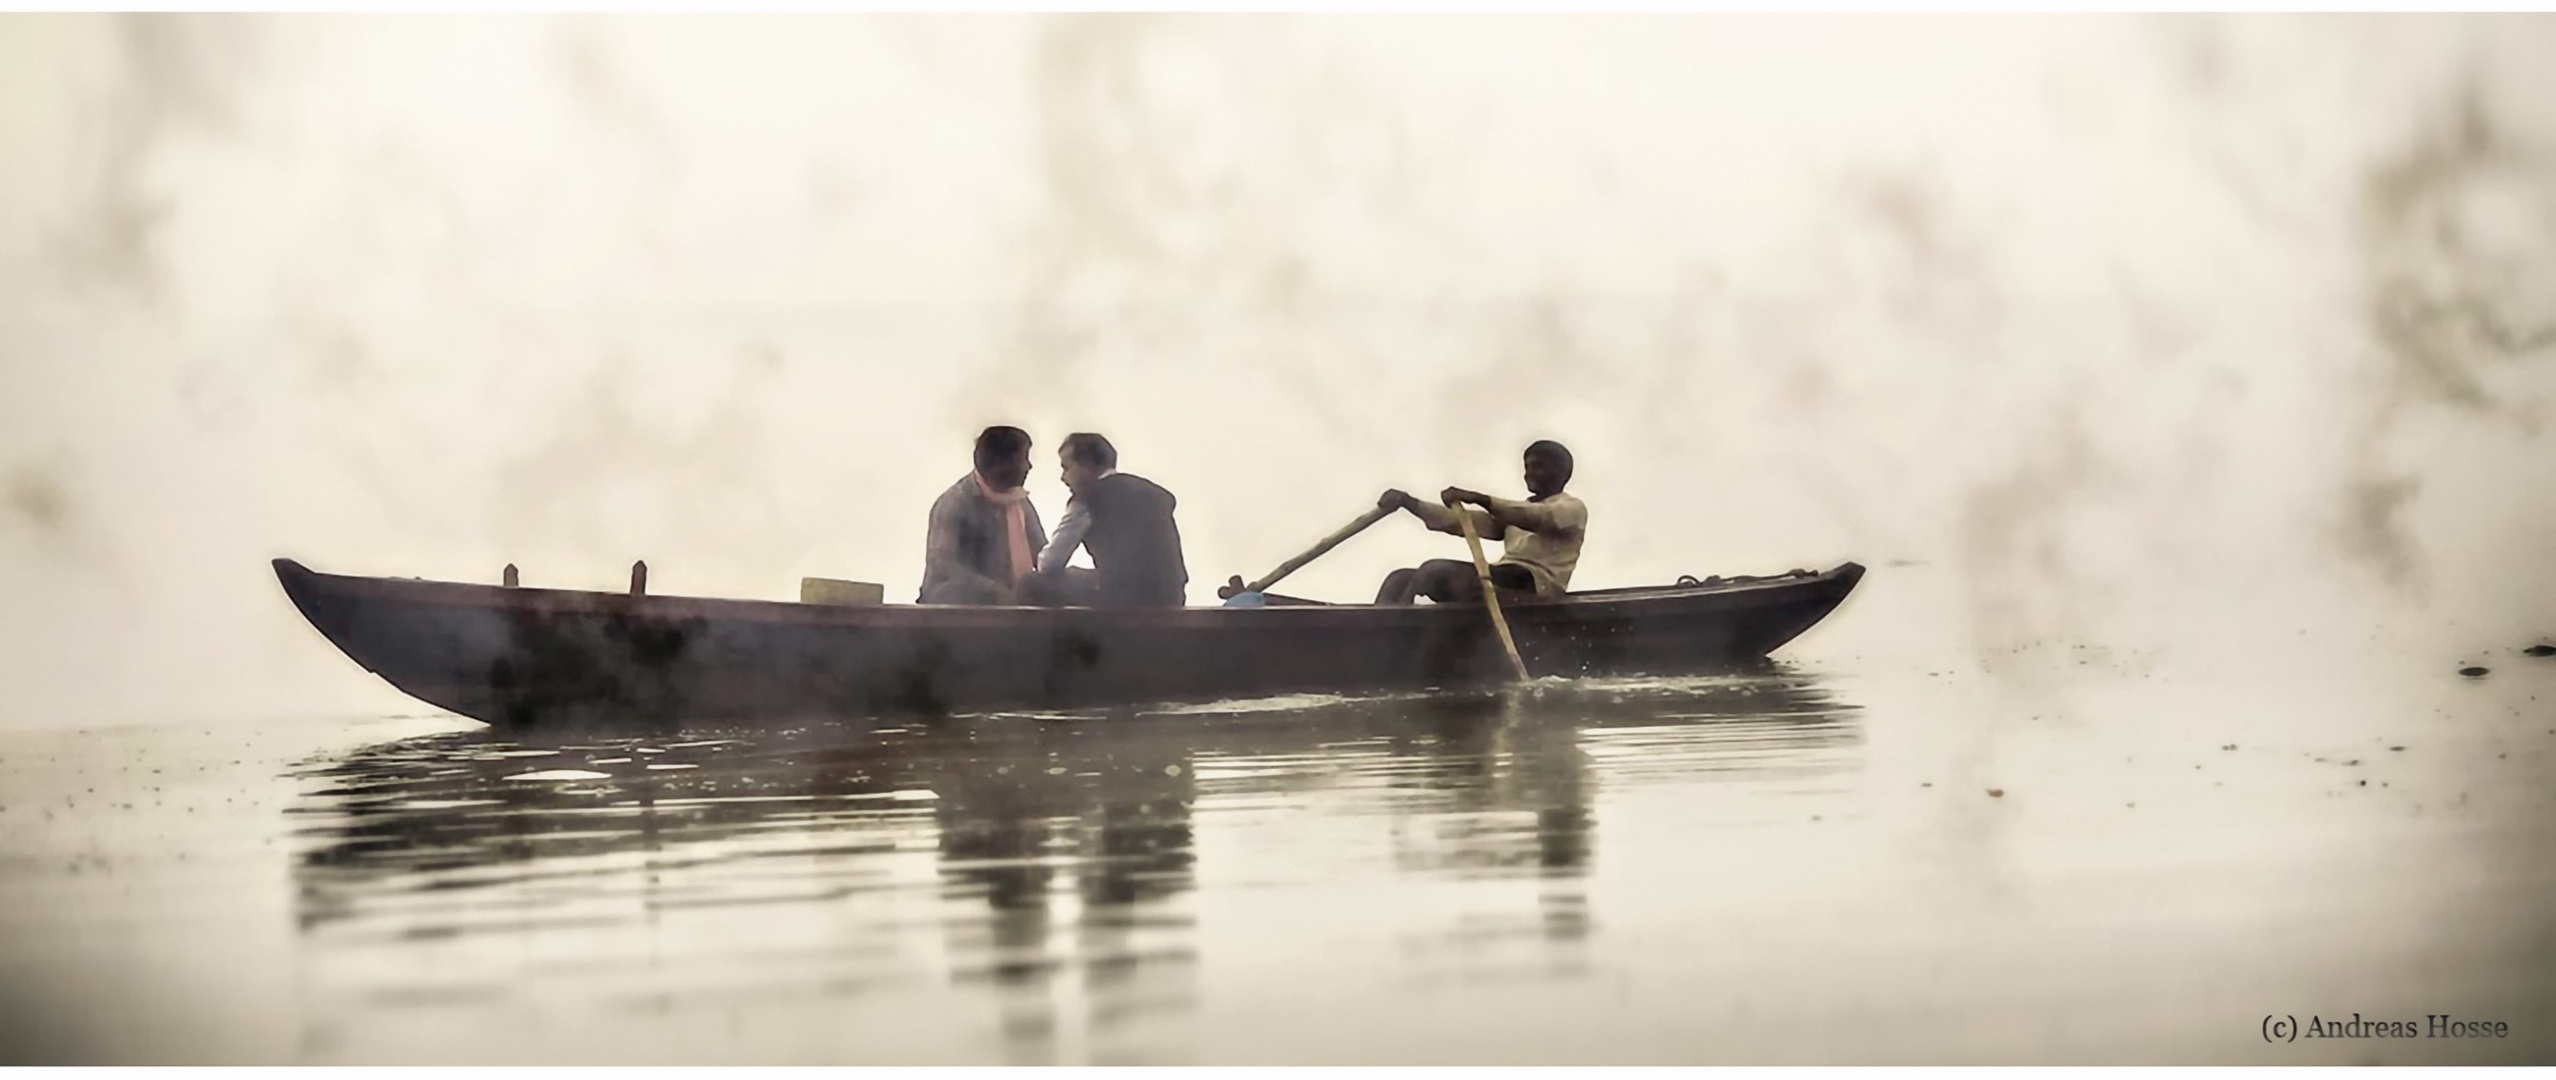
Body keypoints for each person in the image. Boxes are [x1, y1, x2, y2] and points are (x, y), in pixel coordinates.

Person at [1374, 440, 1586, 605]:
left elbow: (1539, 517)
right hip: (1503, 575)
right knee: (1399, 579)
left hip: (1535, 584)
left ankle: (1402, 629)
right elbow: (1462, 522)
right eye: (1527, 467)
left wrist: (1480, 499)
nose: (1529, 473)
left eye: (1538, 466)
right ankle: (1375, 631)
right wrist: (1411, 503)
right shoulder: (1511, 514)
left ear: (1561, 472)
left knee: (1434, 571)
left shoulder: (1572, 508)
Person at [1023, 433, 1189, 608]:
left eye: (1066, 468)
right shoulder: (1154, 494)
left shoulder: (1087, 498)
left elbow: (1049, 563)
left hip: (1123, 599)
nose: (1063, 478)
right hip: (1171, 596)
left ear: (1086, 466)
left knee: (1031, 583)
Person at [918, 425, 1047, 605]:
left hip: (1009, 600)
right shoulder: (956, 502)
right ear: (999, 464)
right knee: (961, 592)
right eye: (1022, 460)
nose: (1029, 466)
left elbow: (1042, 554)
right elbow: (944, 563)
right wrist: (992, 590)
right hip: (955, 606)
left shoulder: (1020, 503)